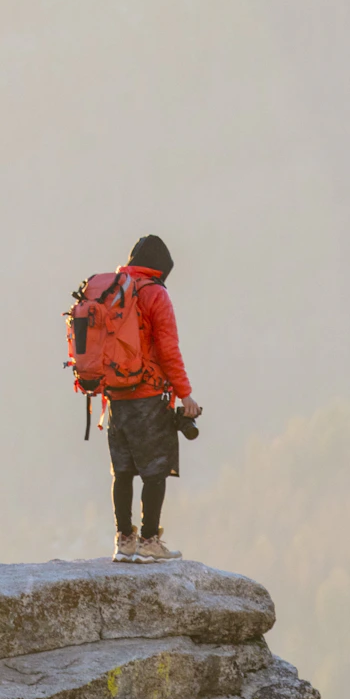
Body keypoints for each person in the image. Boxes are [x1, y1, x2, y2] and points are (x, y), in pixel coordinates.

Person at [107, 234, 202, 562]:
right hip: (148, 395)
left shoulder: (114, 290)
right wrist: (185, 394)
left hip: (115, 396)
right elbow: (168, 349)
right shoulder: (154, 294)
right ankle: (149, 542)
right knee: (154, 471)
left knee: (122, 471)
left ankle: (124, 541)